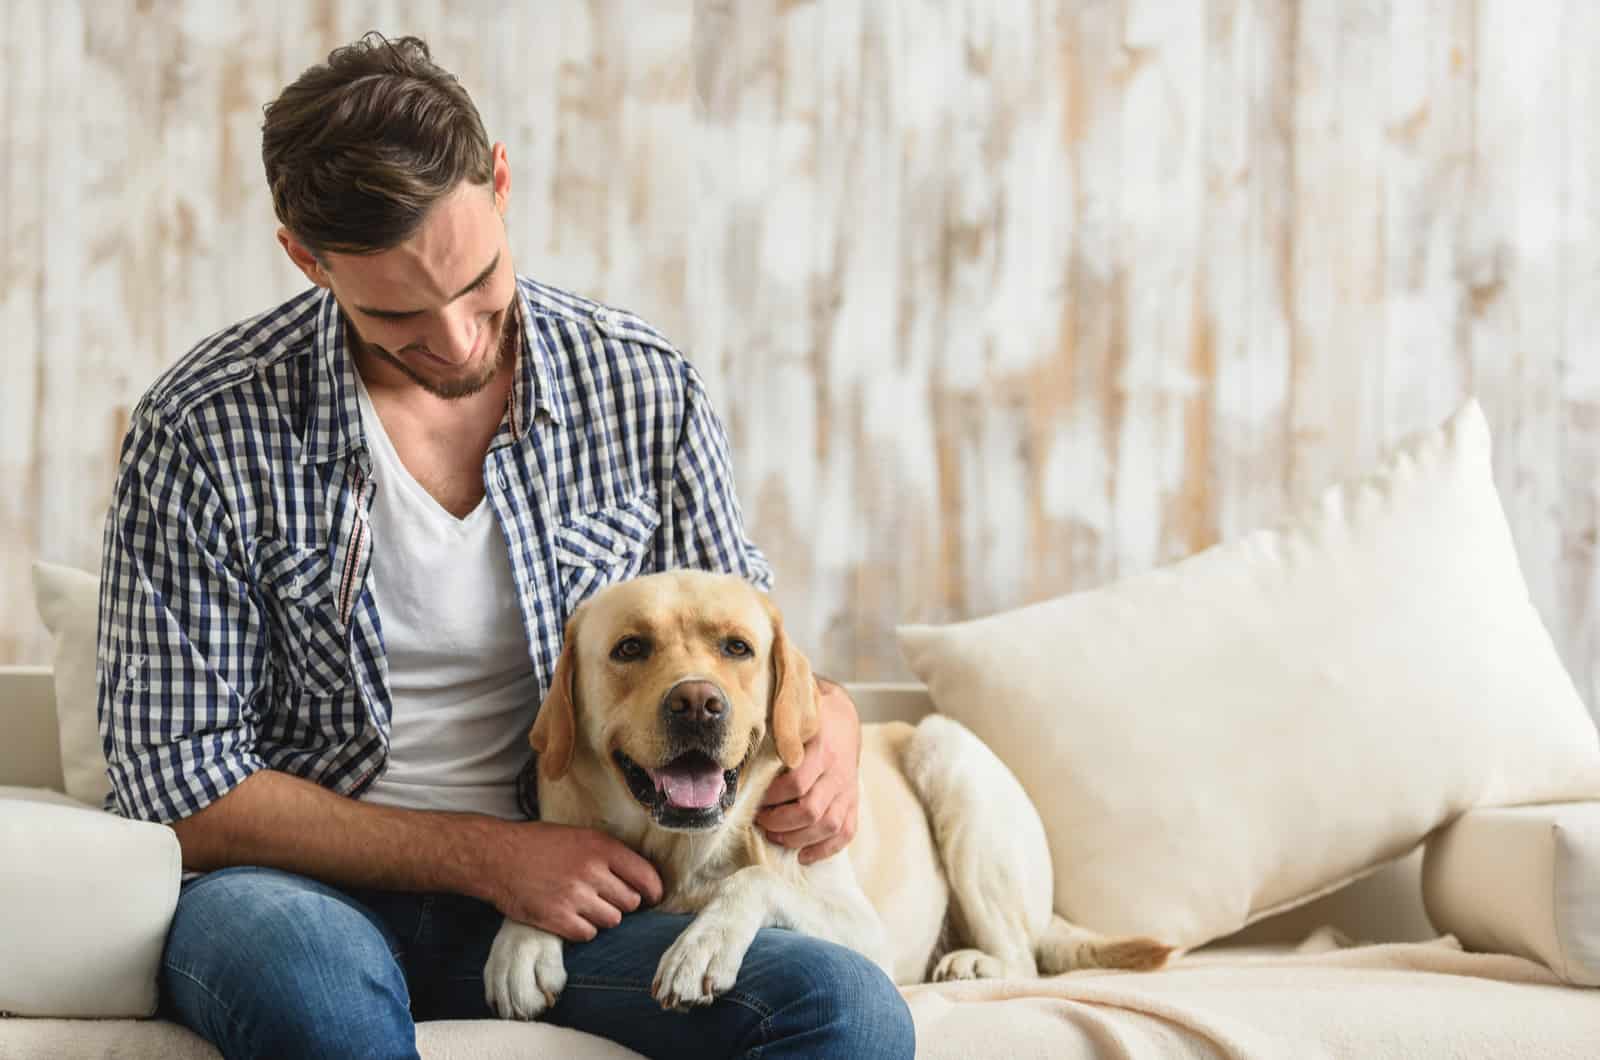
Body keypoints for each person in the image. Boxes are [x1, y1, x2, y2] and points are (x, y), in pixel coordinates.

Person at [96, 31, 914, 1060]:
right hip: (297, 897)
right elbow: (179, 784)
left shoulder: (640, 386)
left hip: (595, 899)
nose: (456, 340)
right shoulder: (203, 426)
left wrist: (830, 721)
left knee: (845, 1008)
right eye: (396, 312)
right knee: (314, 995)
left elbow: (736, 644)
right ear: (305, 258)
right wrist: (493, 856)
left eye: (478, 281)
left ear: (501, 182)